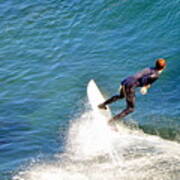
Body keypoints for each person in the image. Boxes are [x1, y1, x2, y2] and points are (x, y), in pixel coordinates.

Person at [98, 58, 167, 124]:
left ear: (155, 64)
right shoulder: (156, 75)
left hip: (126, 81)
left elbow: (137, 76)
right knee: (131, 109)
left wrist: (123, 83)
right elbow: (146, 80)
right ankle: (111, 122)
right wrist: (145, 87)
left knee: (121, 96)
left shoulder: (149, 68)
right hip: (130, 87)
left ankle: (102, 105)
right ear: (164, 67)